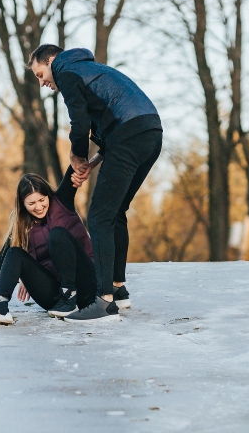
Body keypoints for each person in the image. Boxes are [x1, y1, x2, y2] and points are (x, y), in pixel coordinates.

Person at [28, 44, 162, 322]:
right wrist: (92, 162)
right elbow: (114, 125)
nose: (42, 83)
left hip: (129, 136)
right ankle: (118, 288)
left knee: (100, 215)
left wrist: (77, 156)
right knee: (115, 212)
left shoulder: (66, 71)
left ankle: (104, 301)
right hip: (150, 133)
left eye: (41, 74)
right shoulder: (92, 69)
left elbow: (80, 123)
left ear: (51, 60)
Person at [0, 166, 120, 325]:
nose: (38, 206)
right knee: (15, 253)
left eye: (42, 200)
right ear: (23, 204)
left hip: (86, 286)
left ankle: (69, 294)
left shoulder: (62, 202)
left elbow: (76, 166)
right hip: (55, 299)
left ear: (48, 196)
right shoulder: (21, 226)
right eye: (31, 203)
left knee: (57, 234)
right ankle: (0, 305)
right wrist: (23, 277)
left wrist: (102, 150)